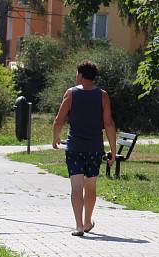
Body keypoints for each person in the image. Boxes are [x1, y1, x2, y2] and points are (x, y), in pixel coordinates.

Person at [52, 60, 117, 236]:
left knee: (76, 187)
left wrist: (55, 137)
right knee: (90, 187)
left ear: (80, 75)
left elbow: (59, 119)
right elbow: (109, 123)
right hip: (95, 149)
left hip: (74, 148)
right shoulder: (102, 96)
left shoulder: (71, 93)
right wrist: (113, 150)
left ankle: (79, 226)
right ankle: (88, 221)